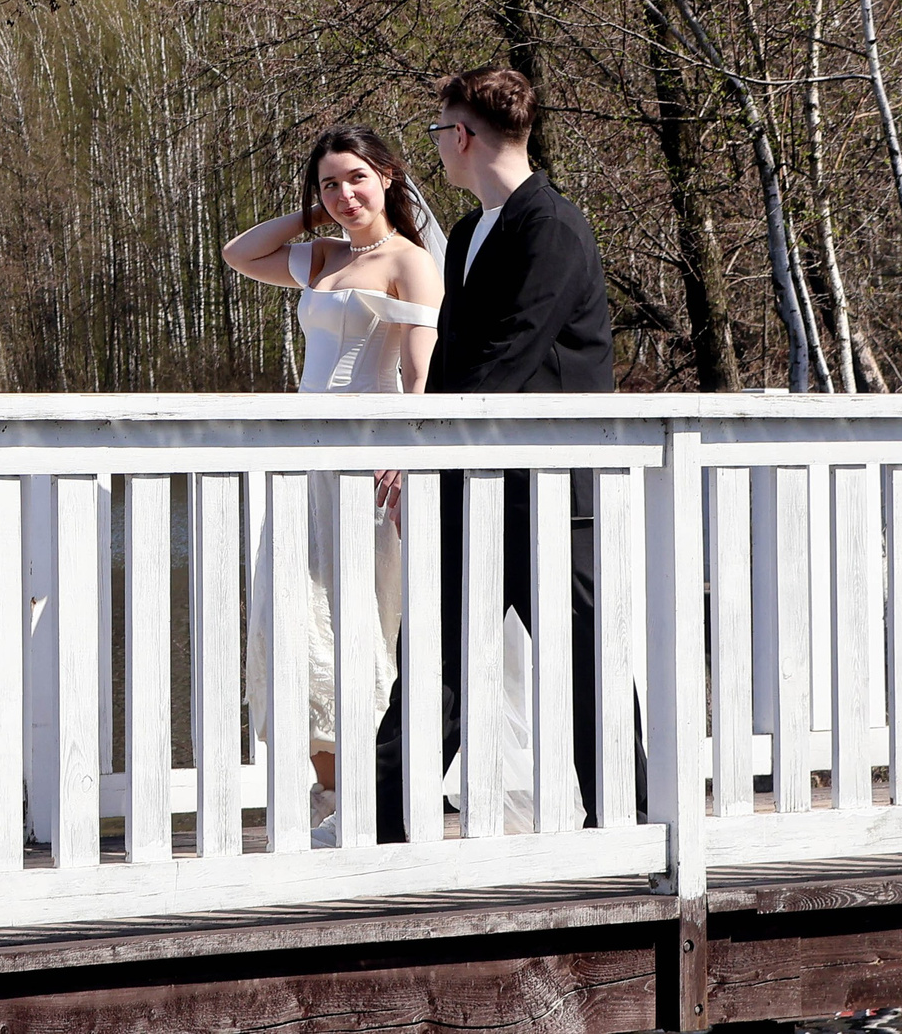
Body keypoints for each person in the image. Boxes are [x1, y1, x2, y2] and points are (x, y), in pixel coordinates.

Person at [374, 65, 618, 845]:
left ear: (462, 135)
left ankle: (631, 819)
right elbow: (454, 364)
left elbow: (509, 356)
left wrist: (429, 447)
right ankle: (382, 827)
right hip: (471, 483)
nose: (437, 145)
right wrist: (423, 454)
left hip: (549, 491)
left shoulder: (553, 227)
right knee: (433, 662)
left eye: (438, 130)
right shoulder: (471, 232)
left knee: (582, 665)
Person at [222, 126, 445, 841]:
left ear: (388, 176)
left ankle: (370, 796)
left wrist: (408, 456)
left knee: (362, 621)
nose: (345, 194)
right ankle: (330, 795)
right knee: (295, 618)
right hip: (306, 462)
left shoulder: (410, 260)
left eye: (356, 178)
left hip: (368, 461)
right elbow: (238, 254)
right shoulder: (322, 256)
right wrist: (314, 216)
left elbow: (420, 373)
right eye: (329, 183)